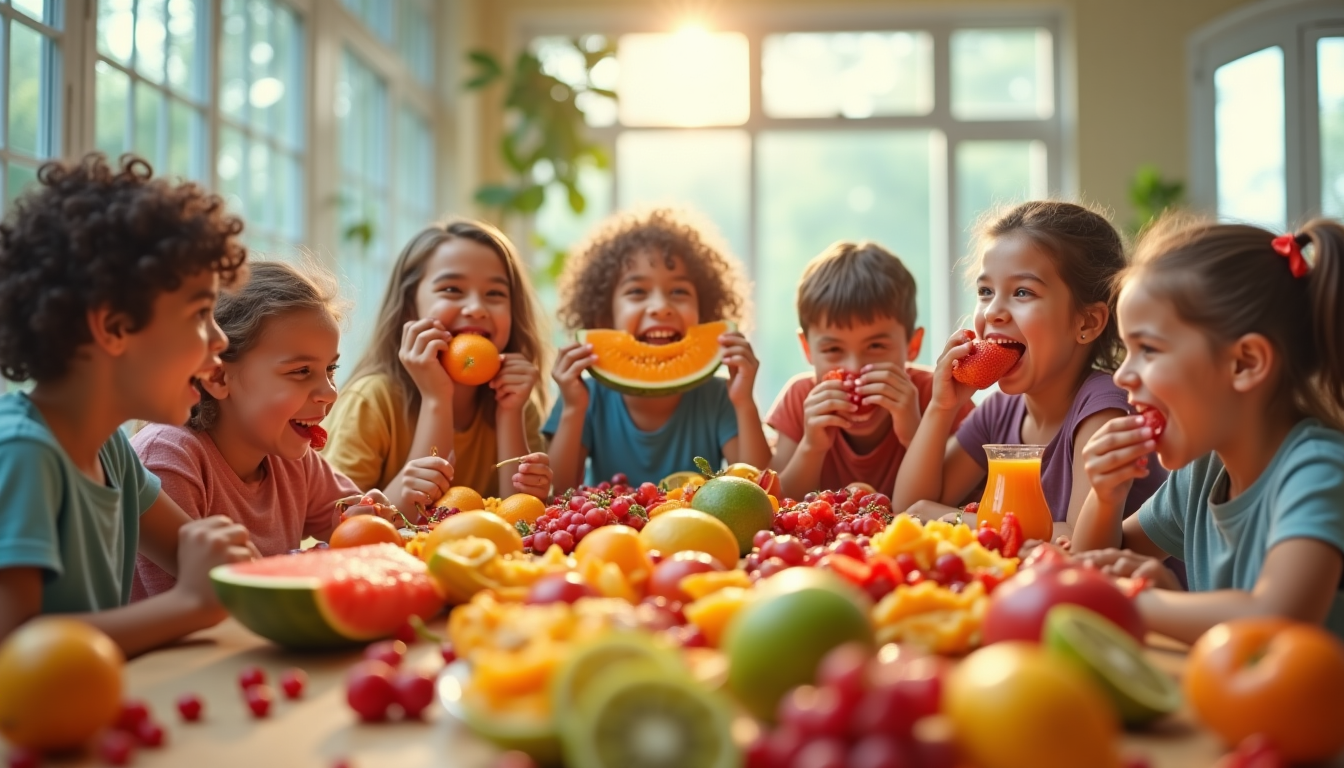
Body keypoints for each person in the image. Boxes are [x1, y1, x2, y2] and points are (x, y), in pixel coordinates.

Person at [0, 154, 256, 654]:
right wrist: (187, 605)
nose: (220, 339)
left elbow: (196, 559)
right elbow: (11, 648)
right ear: (115, 326)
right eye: (201, 312)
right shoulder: (24, 454)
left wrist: (219, 555)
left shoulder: (112, 452)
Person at [1071, 216, 1344, 642]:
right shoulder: (1202, 473)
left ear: (1245, 363)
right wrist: (1106, 498)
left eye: (1149, 349)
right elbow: (1096, 567)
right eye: (1127, 351)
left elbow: (1276, 618)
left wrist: (1141, 599)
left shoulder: (1318, 469)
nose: (1122, 376)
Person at [892, 201, 1166, 536]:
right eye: (985, 291)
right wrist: (941, 407)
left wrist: (946, 517)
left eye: (1022, 292)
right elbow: (907, 509)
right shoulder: (1000, 412)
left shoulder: (1103, 410)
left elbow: (1079, 542)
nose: (993, 312)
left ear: (1088, 321)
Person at [132, 261, 399, 599]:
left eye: (330, 368)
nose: (331, 392)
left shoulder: (289, 455)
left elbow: (349, 523)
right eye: (301, 371)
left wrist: (365, 517)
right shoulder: (169, 458)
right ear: (216, 376)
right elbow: (203, 604)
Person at [322, 220, 552, 509]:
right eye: (452, 289)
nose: (477, 308)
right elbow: (339, 524)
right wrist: (436, 398)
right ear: (410, 306)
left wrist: (509, 414)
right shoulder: (371, 399)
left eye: (495, 293)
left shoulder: (518, 405)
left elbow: (519, 522)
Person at [545, 207, 771, 488]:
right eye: (637, 292)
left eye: (679, 291)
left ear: (706, 314)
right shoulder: (584, 396)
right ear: (604, 318)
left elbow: (759, 493)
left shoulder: (720, 397)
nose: (661, 308)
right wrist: (572, 409)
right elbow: (556, 495)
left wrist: (744, 403)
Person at [767, 241, 974, 499]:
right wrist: (811, 447)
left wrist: (915, 434)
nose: (854, 368)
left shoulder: (943, 396)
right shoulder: (801, 399)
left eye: (876, 346)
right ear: (807, 349)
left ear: (913, 344)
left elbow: (955, 497)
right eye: (833, 350)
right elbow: (775, 503)